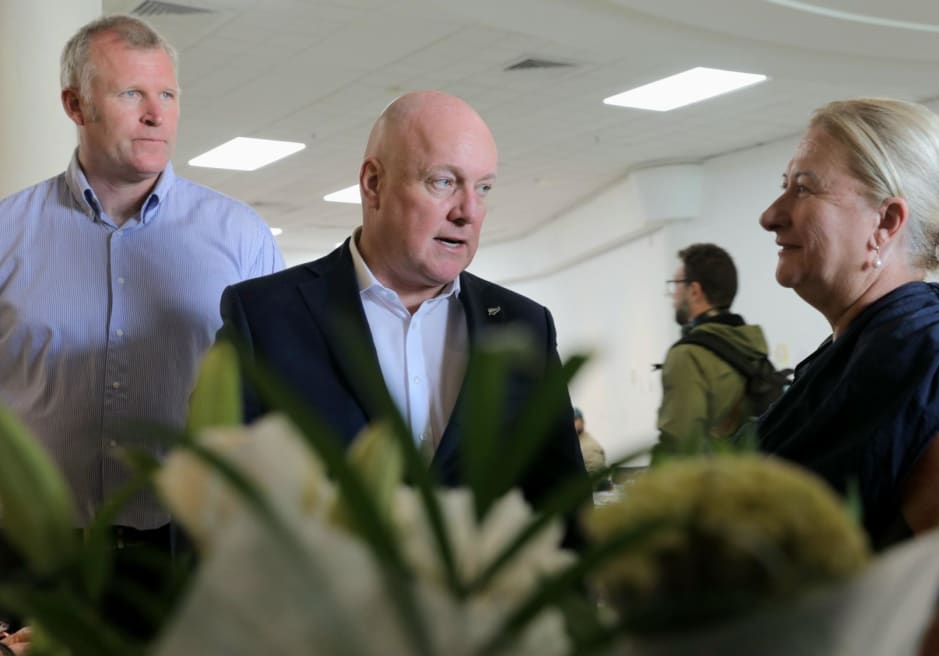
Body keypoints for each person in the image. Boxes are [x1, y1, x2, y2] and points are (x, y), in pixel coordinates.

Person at [0, 14, 283, 636]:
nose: (157, 113)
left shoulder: (240, 238)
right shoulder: (6, 234)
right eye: (131, 94)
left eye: (168, 95)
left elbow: (270, 403)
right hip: (30, 557)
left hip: (185, 557)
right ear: (75, 104)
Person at [757, 98, 939, 655]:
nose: (771, 214)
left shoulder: (925, 351)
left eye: (804, 188)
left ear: (886, 222)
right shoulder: (869, 345)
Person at [216, 91, 587, 531]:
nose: (468, 212)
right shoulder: (265, 316)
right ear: (374, 183)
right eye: (443, 182)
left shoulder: (524, 325)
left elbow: (564, 507)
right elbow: (216, 503)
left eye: (483, 187)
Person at [656, 243, 771, 452]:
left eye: (676, 285)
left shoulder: (688, 355)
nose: (672, 295)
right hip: (757, 479)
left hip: (715, 482)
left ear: (694, 291)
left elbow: (678, 446)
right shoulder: (752, 345)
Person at [573, 407, 611, 491]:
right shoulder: (585, 439)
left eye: (575, 420)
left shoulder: (584, 441)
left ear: (582, 422)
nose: (573, 423)